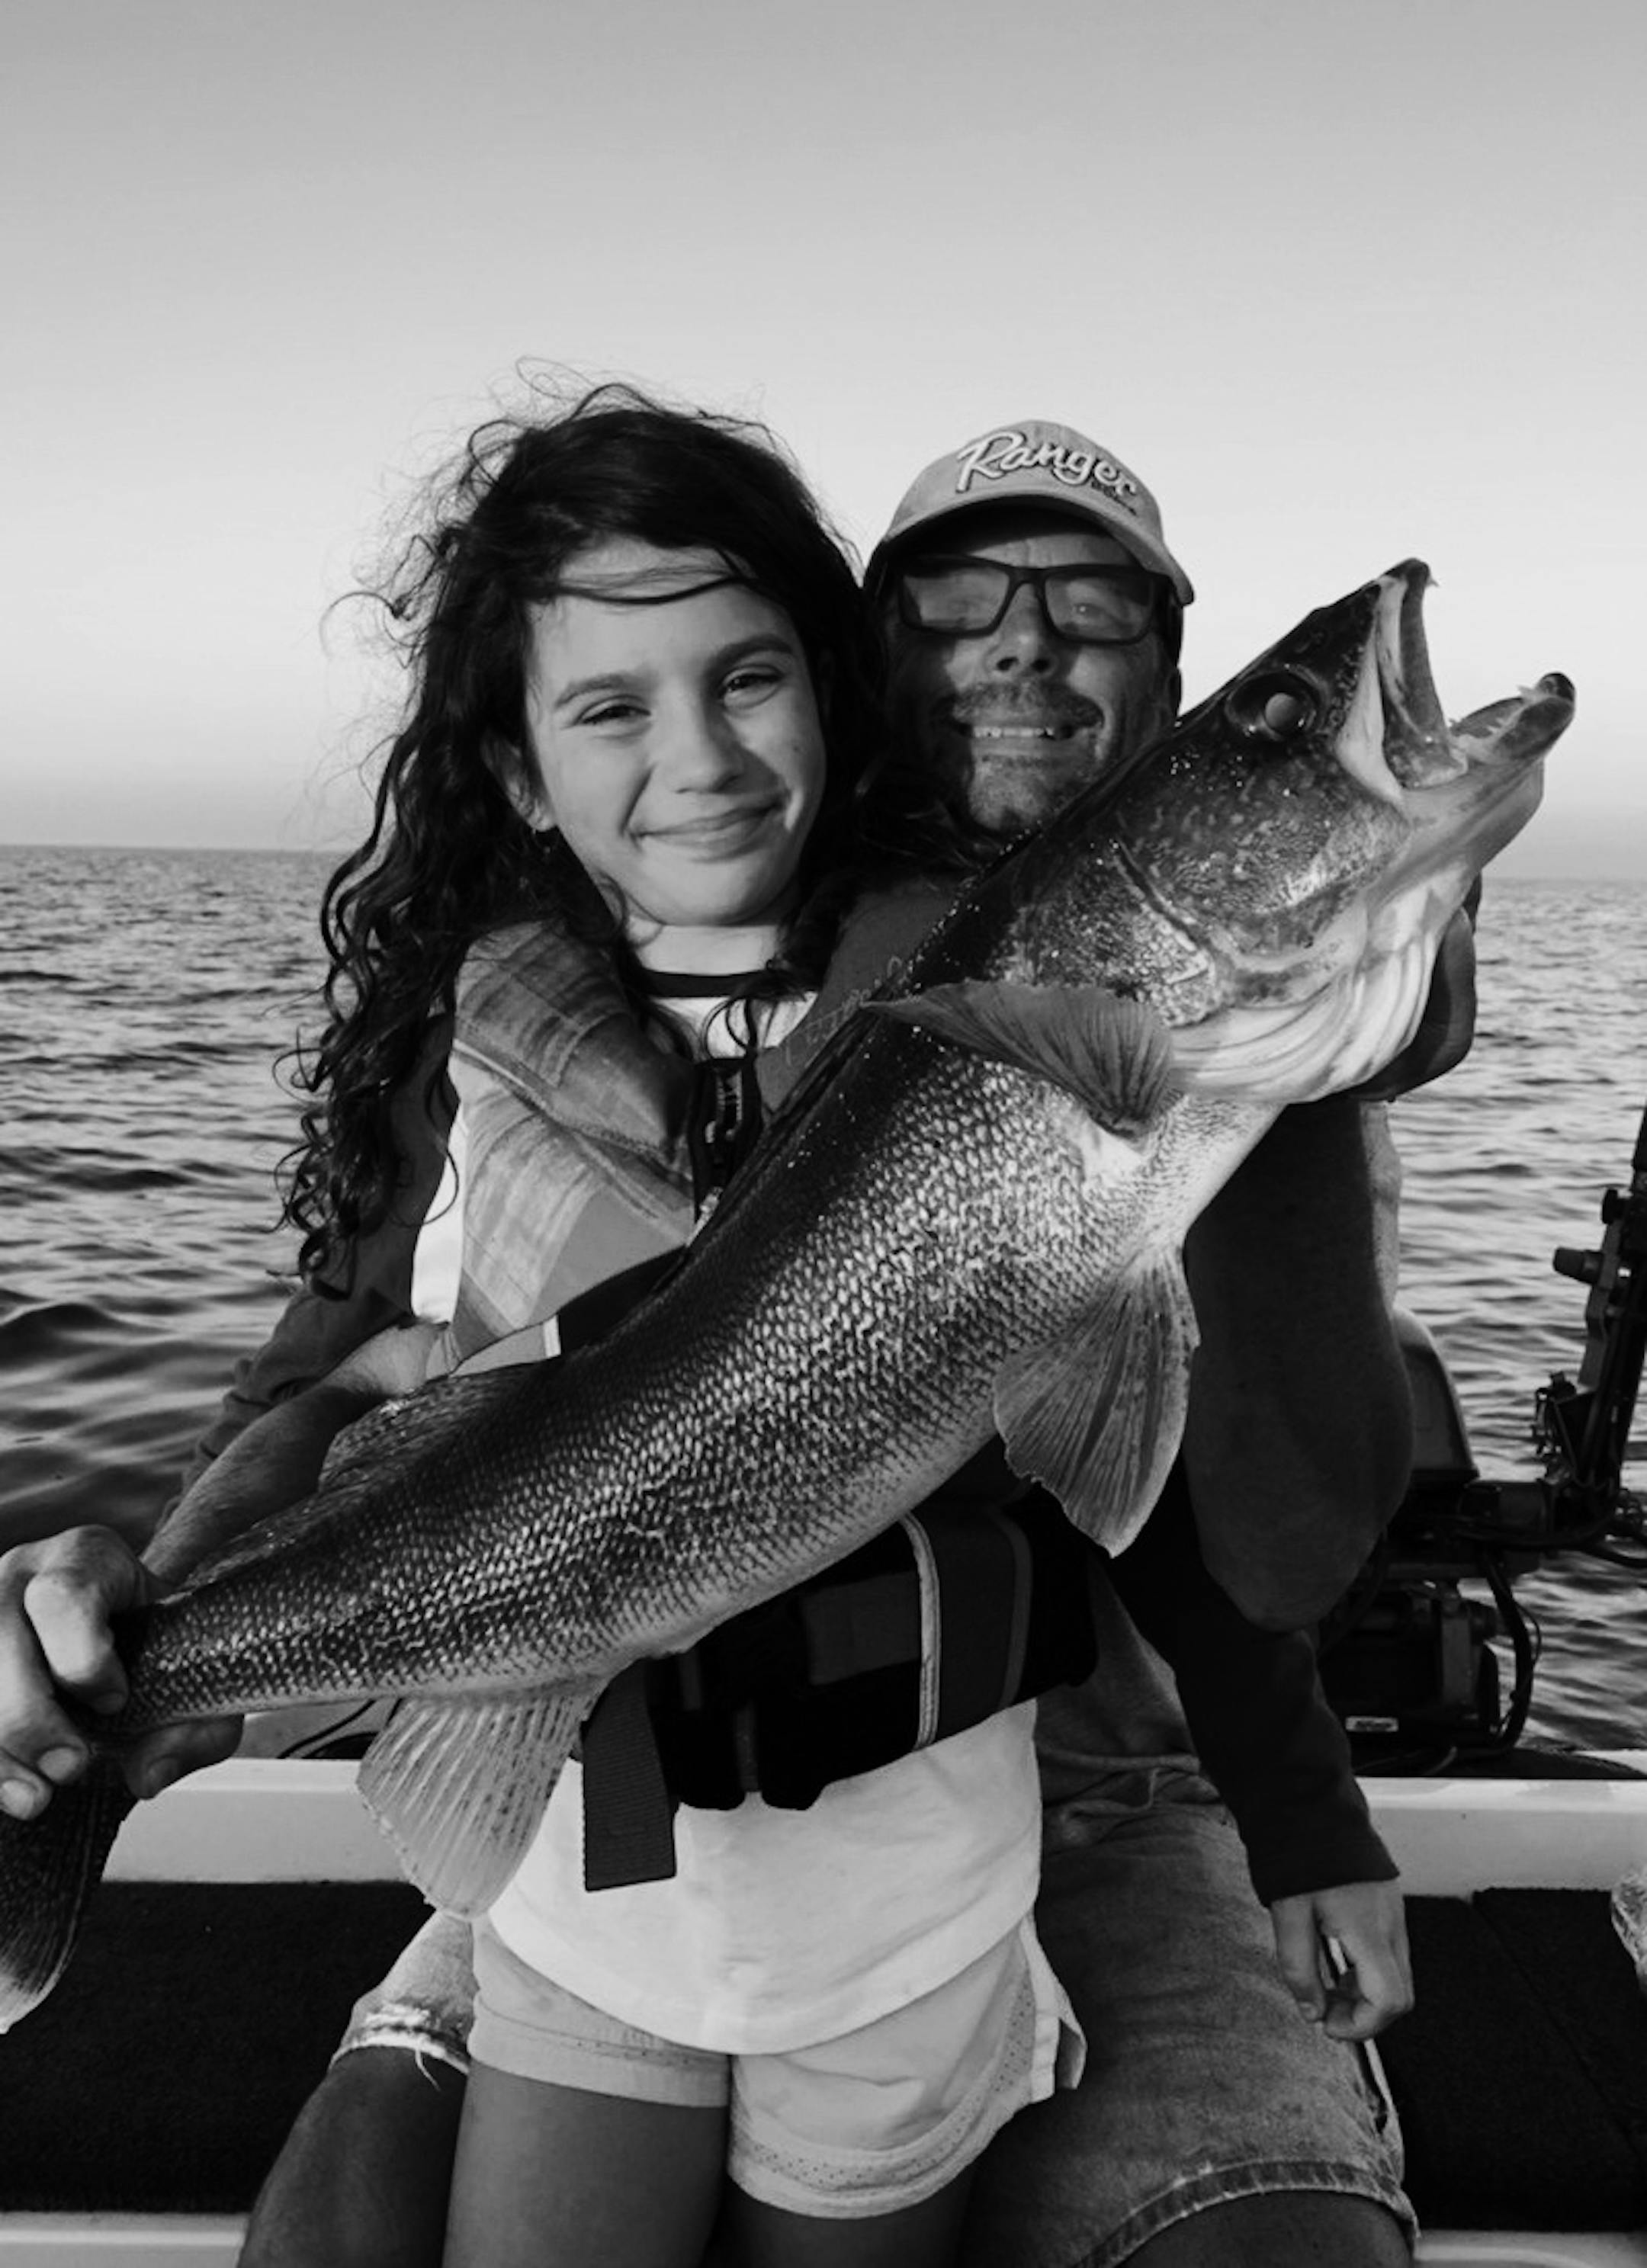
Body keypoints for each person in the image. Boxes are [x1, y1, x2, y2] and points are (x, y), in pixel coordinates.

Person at [0, 411, 1443, 2268]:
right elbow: (337, 1392)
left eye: (1089, 608)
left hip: (990, 1830)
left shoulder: (1073, 1019)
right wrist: (107, 1647)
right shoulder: (503, 1024)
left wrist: (1310, 1812)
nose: (1021, 651)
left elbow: (1235, 1519)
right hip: (600, 1813)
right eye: (955, 605)